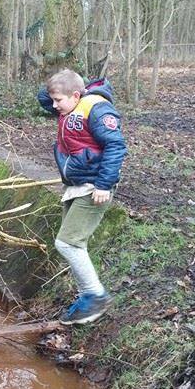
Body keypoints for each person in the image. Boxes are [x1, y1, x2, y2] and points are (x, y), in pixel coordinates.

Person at [37, 70, 127, 325]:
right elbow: (43, 98)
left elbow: (116, 146)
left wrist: (103, 184)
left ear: (76, 95)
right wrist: (60, 81)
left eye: (59, 101)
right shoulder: (69, 107)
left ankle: (95, 296)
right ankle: (86, 298)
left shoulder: (97, 110)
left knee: (67, 243)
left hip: (93, 187)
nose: (53, 106)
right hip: (78, 185)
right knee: (75, 243)